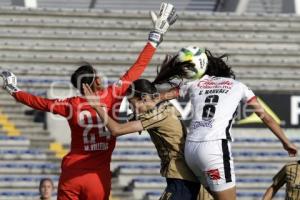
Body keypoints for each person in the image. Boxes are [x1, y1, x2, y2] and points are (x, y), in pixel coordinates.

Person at [0, 4, 177, 200]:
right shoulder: (113, 94)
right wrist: (156, 36)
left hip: (72, 174)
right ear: (95, 81)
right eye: (98, 76)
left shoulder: (70, 104)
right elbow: (138, 67)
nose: (101, 78)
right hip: (97, 177)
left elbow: (38, 102)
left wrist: (13, 90)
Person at [151, 47, 298, 200]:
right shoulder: (239, 86)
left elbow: (159, 97)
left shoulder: (195, 83)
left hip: (191, 150)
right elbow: (266, 117)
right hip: (214, 149)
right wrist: (286, 142)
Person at [83, 79, 201, 200]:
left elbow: (116, 130)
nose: (131, 109)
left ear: (144, 99)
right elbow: (153, 101)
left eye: (131, 104)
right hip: (184, 176)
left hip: (182, 178)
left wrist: (96, 106)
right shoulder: (162, 108)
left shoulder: (159, 114)